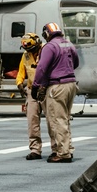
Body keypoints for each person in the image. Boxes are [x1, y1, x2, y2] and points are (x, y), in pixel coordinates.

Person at [31, 22, 80, 163]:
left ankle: (63, 154)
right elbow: (75, 63)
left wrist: (36, 86)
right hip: (71, 84)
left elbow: (41, 68)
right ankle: (68, 149)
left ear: (47, 34)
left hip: (57, 86)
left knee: (57, 120)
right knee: (65, 118)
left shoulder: (50, 47)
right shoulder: (68, 44)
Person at [16, 32, 50, 160]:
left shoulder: (47, 52)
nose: (30, 52)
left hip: (46, 89)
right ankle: (35, 150)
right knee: (32, 121)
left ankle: (57, 149)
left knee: (52, 120)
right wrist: (19, 83)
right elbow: (21, 72)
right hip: (32, 91)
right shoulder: (25, 55)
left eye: (32, 49)